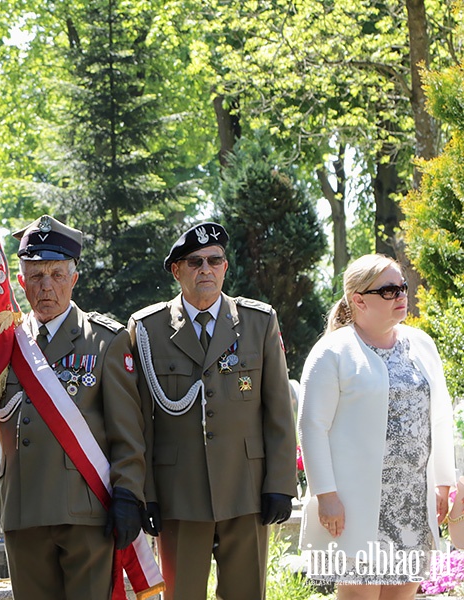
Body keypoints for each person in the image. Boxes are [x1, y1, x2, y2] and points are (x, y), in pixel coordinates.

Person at [128, 221, 297, 600]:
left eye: (214, 260)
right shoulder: (147, 328)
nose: (205, 269)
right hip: (179, 494)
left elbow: (278, 411)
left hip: (246, 489)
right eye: (195, 262)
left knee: (246, 594)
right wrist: (147, 494)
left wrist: (280, 484)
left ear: (224, 267)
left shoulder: (258, 322)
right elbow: (141, 423)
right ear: (177, 270)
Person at [0, 215, 147, 600]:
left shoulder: (105, 342)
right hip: (22, 509)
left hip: (84, 512)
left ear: (74, 279)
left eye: (57, 274)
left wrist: (129, 494)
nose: (47, 287)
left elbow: (127, 433)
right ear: (20, 281)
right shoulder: (2, 345)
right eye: (36, 275)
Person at [298, 254, 455, 598]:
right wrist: (326, 496)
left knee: (403, 594)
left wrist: (444, 481)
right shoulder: (332, 352)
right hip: (355, 506)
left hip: (412, 501)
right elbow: (312, 426)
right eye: (388, 290)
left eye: (402, 287)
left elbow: (441, 416)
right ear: (358, 300)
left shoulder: (422, 344)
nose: (401, 295)